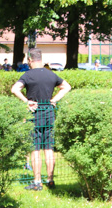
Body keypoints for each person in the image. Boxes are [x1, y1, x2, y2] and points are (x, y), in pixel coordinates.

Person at [11, 48, 71, 191]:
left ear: (30, 60)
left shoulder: (28, 75)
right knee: (49, 148)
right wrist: (54, 99)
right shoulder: (51, 74)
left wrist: (27, 101)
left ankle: (37, 182)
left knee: (35, 149)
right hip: (49, 113)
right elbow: (66, 87)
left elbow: (14, 89)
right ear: (41, 59)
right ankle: (50, 180)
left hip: (35, 114)